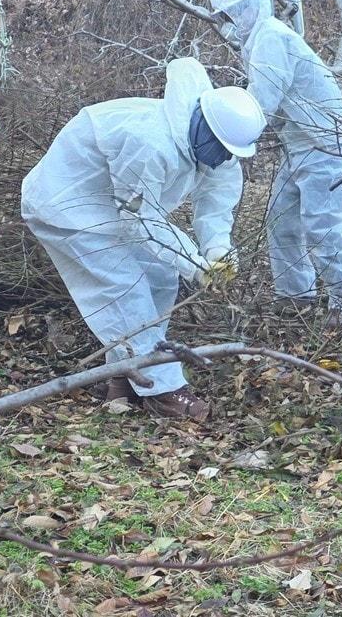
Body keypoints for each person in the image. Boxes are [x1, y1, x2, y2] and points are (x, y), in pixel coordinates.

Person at [21, 58, 266, 422]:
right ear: (204, 128)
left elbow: (216, 203)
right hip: (66, 207)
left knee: (161, 276)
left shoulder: (220, 149)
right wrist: (196, 265)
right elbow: (141, 218)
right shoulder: (149, 142)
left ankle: (124, 376)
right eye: (222, 148)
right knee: (125, 288)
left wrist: (218, 251)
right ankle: (163, 390)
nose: (225, 158)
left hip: (114, 211)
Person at [207, 0, 342, 329]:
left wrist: (229, 136)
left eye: (231, 15)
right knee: (281, 216)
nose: (230, 23)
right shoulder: (261, 39)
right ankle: (295, 295)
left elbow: (263, 101)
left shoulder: (271, 38)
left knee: (322, 225)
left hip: (322, 141)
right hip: (298, 141)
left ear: (246, 8)